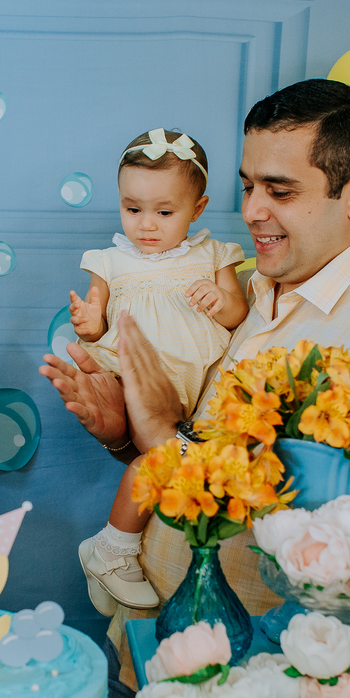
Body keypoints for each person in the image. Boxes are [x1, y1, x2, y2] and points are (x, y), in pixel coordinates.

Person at [40, 79, 350, 698]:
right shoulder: (248, 294)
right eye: (248, 186)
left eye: (281, 190)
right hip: (144, 642)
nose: (251, 211)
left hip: (246, 687)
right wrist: (126, 437)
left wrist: (165, 441)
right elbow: (183, 454)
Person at [72, 128, 247, 615]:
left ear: (198, 208)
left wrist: (220, 301)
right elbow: (97, 322)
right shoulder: (110, 261)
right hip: (140, 379)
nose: (146, 224)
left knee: (165, 462)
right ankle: (115, 547)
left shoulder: (214, 254)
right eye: (133, 209)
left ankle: (111, 550)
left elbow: (236, 312)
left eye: (164, 212)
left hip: (198, 387)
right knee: (154, 461)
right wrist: (88, 324)